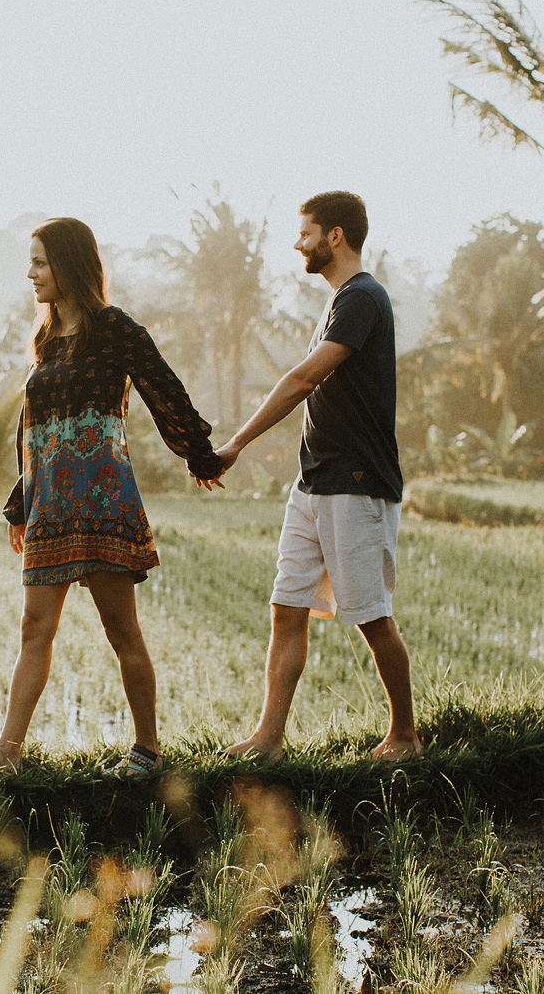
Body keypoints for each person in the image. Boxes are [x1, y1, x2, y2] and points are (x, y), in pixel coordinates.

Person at [0, 217, 225, 777]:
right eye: (31, 262)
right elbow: (32, 428)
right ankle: (7, 752)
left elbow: (164, 388)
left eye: (40, 262)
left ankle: (147, 750)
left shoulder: (113, 328)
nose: (31, 273)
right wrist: (20, 503)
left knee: (121, 630)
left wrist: (200, 454)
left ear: (69, 264)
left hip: (103, 500)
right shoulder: (44, 339)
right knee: (34, 628)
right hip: (51, 504)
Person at [216, 191, 418, 763]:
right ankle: (269, 738)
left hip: (356, 483)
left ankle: (405, 736)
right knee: (287, 608)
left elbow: (304, 380)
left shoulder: (362, 298)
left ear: (335, 236)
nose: (297, 243)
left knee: (372, 617)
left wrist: (236, 444)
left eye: (305, 233)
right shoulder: (339, 301)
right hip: (313, 484)